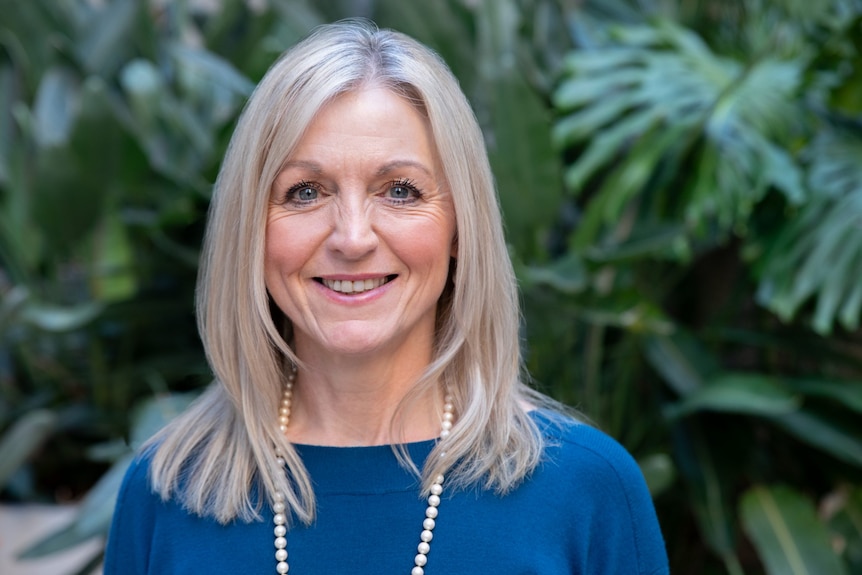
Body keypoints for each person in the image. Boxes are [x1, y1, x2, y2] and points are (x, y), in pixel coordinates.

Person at [104, 19, 669, 575]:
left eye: (400, 191)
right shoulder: (167, 492)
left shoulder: (585, 490)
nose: (352, 238)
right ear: (251, 228)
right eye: (305, 192)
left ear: (460, 227)